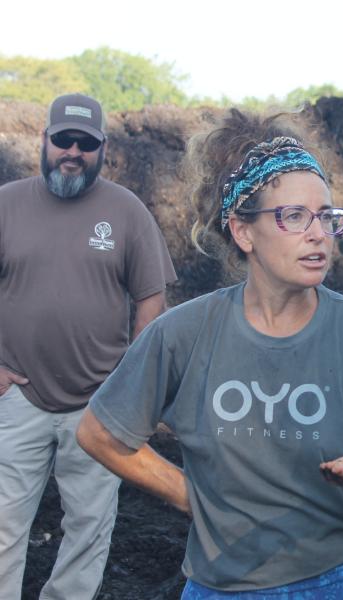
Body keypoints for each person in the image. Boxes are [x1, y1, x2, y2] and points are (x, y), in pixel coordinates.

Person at [76, 109, 343, 599]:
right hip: (221, 585)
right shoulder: (185, 332)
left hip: (339, 578)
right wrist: (192, 497)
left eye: (326, 216)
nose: (318, 233)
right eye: (295, 217)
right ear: (242, 231)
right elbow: (99, 433)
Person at [0, 93, 176, 600]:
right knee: (5, 524)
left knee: (89, 526)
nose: (72, 151)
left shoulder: (126, 212)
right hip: (19, 397)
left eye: (86, 143)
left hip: (99, 406)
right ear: (45, 140)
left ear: (103, 149)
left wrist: (133, 389)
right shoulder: (7, 204)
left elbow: (150, 303)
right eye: (63, 140)